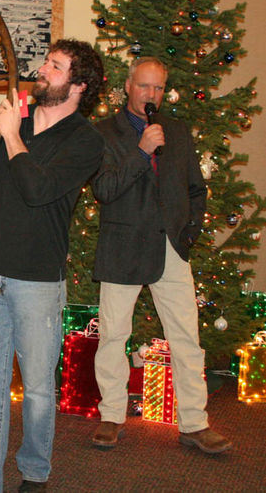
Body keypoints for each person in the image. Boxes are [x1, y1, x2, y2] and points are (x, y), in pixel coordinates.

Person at [0, 39, 105, 493]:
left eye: (55, 66)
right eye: (46, 61)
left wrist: (9, 134)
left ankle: (35, 471)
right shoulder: (15, 118)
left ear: (79, 86)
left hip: (38, 282)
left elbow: (37, 190)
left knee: (39, 389)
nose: (42, 69)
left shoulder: (86, 141)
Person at [91, 57, 231, 454]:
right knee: (114, 335)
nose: (150, 95)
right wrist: (140, 151)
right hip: (123, 247)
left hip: (171, 247)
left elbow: (195, 190)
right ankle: (112, 416)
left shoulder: (178, 132)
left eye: (157, 88)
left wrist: (188, 233)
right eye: (143, 86)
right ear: (128, 86)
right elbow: (104, 189)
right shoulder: (103, 133)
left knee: (187, 337)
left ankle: (194, 423)